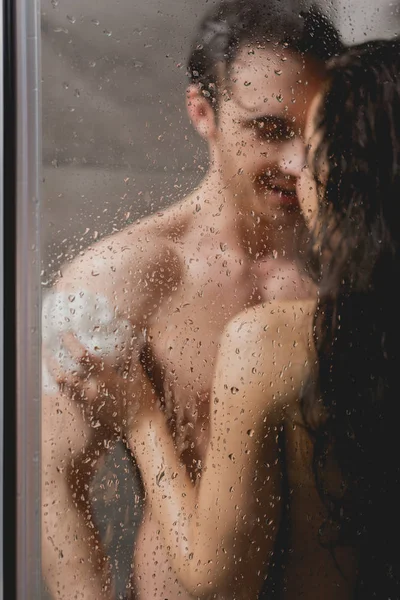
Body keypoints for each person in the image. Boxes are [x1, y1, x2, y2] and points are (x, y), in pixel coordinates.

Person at [41, 2, 343, 599]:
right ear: (202, 111)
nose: (297, 162)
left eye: (314, 131)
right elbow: (57, 486)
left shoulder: (353, 267)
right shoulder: (121, 278)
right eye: (270, 129)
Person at [99, 39, 400, 598]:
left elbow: (218, 584)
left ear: (342, 175)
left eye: (309, 147)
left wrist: (140, 417)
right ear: (202, 112)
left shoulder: (275, 341)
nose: (293, 167)